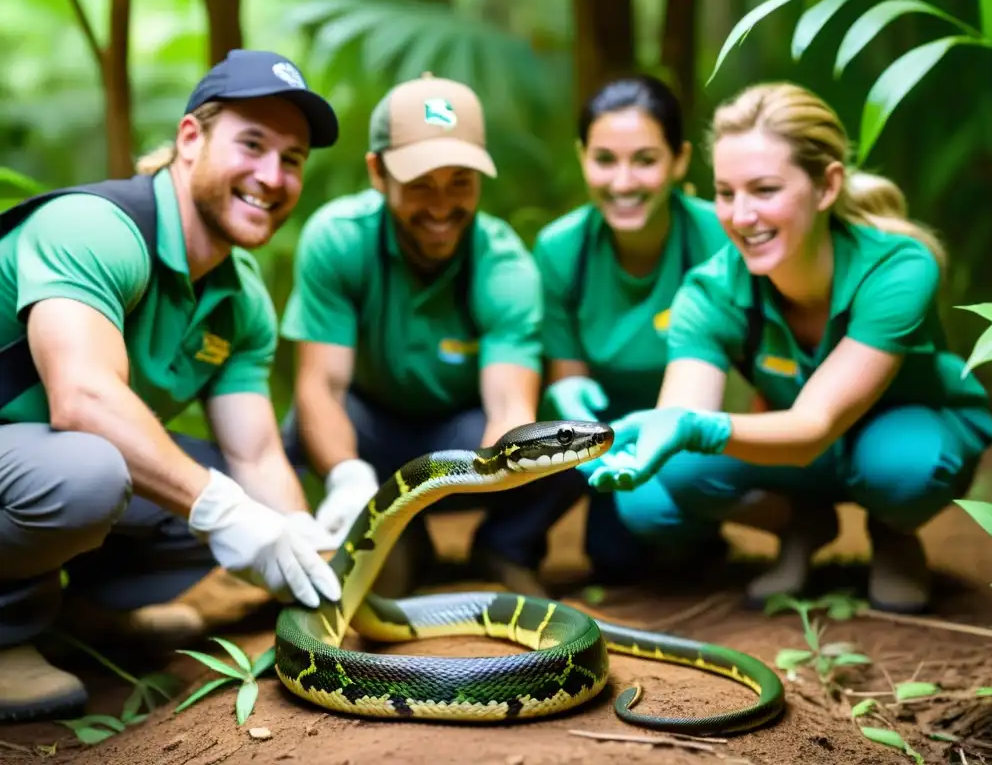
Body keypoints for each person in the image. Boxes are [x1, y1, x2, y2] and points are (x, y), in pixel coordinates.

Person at [0, 49, 344, 722]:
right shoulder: (96, 228)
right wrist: (221, 510)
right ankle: (7, 633)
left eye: (293, 159)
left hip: (22, 475)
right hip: (39, 459)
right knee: (89, 473)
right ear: (191, 139)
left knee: (238, 494)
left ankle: (77, 615)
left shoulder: (241, 300)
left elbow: (255, 456)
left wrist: (301, 544)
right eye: (253, 144)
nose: (272, 176)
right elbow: (84, 399)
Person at [583, 81, 992, 614]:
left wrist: (692, 427)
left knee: (903, 465)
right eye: (726, 193)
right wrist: (655, 435)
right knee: (652, 491)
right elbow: (682, 414)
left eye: (764, 190)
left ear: (826, 187)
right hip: (798, 444)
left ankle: (893, 531)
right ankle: (801, 524)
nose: (740, 215)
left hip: (894, 430)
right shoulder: (709, 291)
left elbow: (813, 427)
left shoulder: (897, 267)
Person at [279, 72, 580, 598]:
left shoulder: (503, 263)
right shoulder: (338, 239)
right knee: (299, 425)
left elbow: (511, 406)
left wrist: (494, 471)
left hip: (463, 439)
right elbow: (321, 387)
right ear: (378, 172)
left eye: (460, 181)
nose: (441, 207)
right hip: (372, 439)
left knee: (565, 432)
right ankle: (400, 541)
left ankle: (505, 546)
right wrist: (351, 482)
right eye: (420, 184)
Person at [534, 75, 740, 584]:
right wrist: (567, 393)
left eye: (645, 160)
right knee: (615, 559)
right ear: (582, 156)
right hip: (614, 439)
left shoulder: (723, 234)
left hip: (706, 429)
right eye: (605, 159)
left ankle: (794, 525)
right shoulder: (560, 250)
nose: (623, 182)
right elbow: (568, 376)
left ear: (680, 159)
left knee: (671, 509)